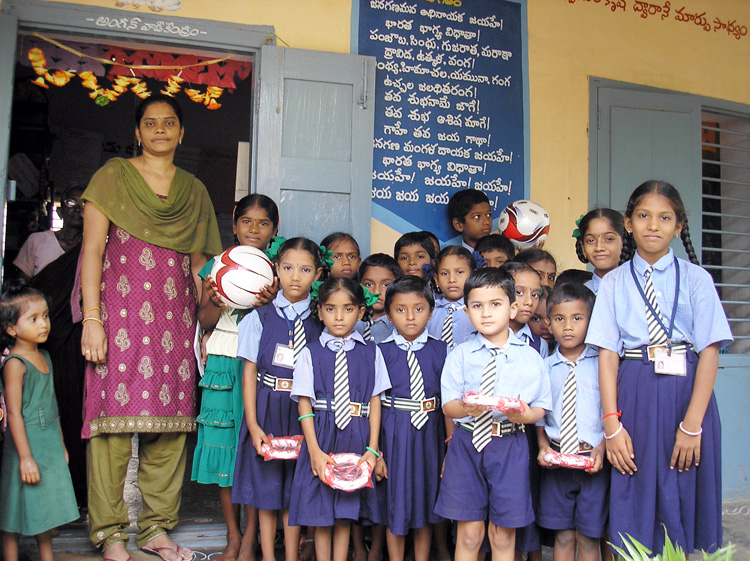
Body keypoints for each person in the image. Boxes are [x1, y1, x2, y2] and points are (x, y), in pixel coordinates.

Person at [79, 94, 223, 561]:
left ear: (181, 132)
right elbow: (92, 252)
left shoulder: (193, 191)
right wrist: (92, 320)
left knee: (170, 430)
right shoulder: (112, 177)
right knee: (111, 430)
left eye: (169, 122)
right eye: (150, 123)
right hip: (117, 318)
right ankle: (110, 534)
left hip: (174, 322)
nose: (160, 129)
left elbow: (201, 266)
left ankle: (156, 529)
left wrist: (206, 325)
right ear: (137, 132)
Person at [587, 180, 732, 554]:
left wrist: (692, 425)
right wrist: (611, 424)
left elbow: (710, 350)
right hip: (633, 392)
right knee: (633, 488)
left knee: (681, 486)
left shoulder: (697, 279)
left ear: (679, 226)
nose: (653, 225)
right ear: (628, 223)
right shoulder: (614, 282)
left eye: (665, 218)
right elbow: (607, 354)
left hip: (686, 395)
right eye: (643, 216)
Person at [435, 268, 551, 561]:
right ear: (467, 312)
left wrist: (525, 415)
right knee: (469, 533)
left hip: (509, 444)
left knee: (503, 533)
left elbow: (541, 406)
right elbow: (448, 406)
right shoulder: (459, 355)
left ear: (512, 308)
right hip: (467, 442)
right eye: (477, 306)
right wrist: (466, 408)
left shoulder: (530, 357)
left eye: (495, 304)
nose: (486, 313)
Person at [191, 194, 280, 561]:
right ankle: (233, 534)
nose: (254, 229)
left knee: (258, 450)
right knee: (225, 449)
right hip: (224, 362)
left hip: (261, 365)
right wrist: (215, 299)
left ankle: (252, 536)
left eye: (263, 223)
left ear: (274, 229)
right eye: (246, 221)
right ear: (233, 223)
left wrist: (273, 301)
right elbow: (205, 320)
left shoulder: (280, 269)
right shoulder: (216, 266)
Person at [233, 237, 324, 561]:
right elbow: (249, 372)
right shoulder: (258, 318)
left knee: (295, 488)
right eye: (288, 268)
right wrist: (253, 424)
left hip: (305, 412)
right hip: (268, 406)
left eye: (305, 269)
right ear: (276, 269)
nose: (295, 276)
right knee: (267, 489)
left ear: (318, 274)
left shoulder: (322, 319)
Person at [288, 277, 390, 561]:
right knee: (321, 510)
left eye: (348, 309)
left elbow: (375, 401)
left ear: (360, 312)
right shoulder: (310, 352)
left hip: (356, 434)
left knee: (346, 510)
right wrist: (314, 451)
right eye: (331, 309)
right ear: (320, 312)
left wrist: (373, 449)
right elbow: (304, 403)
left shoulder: (371, 352)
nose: (339, 316)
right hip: (322, 434)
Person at [0, 282, 79, 561]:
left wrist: (61, 446)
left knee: (44, 511)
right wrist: (25, 458)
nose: (43, 324)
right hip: (25, 444)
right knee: (12, 513)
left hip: (47, 444)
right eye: (33, 319)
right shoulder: (15, 364)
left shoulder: (45, 356)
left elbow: (52, 405)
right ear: (11, 329)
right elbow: (14, 414)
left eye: (45, 316)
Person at [536, 282, 608, 561]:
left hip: (593, 459)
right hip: (556, 461)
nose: (568, 327)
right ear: (548, 323)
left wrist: (602, 447)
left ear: (592, 321)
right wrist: (543, 447)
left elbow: (611, 411)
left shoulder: (603, 366)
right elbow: (539, 415)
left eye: (577, 318)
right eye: (559, 319)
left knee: (589, 538)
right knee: (563, 536)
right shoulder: (543, 368)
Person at [378, 276, 447, 561]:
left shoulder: (442, 350)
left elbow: (448, 400)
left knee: (425, 500)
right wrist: (376, 451)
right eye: (400, 309)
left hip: (430, 431)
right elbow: (374, 404)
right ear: (388, 314)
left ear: (430, 312)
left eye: (418, 309)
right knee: (395, 500)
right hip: (394, 430)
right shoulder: (380, 352)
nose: (410, 316)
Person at [12, 185, 85, 280]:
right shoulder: (37, 240)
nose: (77, 209)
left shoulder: (93, 248)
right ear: (59, 212)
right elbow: (23, 280)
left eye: (83, 204)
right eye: (71, 203)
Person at [427, 246, 476, 350]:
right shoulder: (428, 311)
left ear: (473, 275)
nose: (452, 279)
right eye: (444, 273)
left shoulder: (478, 310)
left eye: (459, 272)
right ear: (436, 279)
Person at [573, 209, 625, 295]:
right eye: (591, 240)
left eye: (609, 239)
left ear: (624, 242)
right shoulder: (579, 296)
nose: (599, 248)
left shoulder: (640, 289)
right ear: (583, 247)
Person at [357, 254, 401, 343]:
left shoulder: (402, 326)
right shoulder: (349, 323)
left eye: (385, 285)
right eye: (369, 284)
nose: (376, 292)